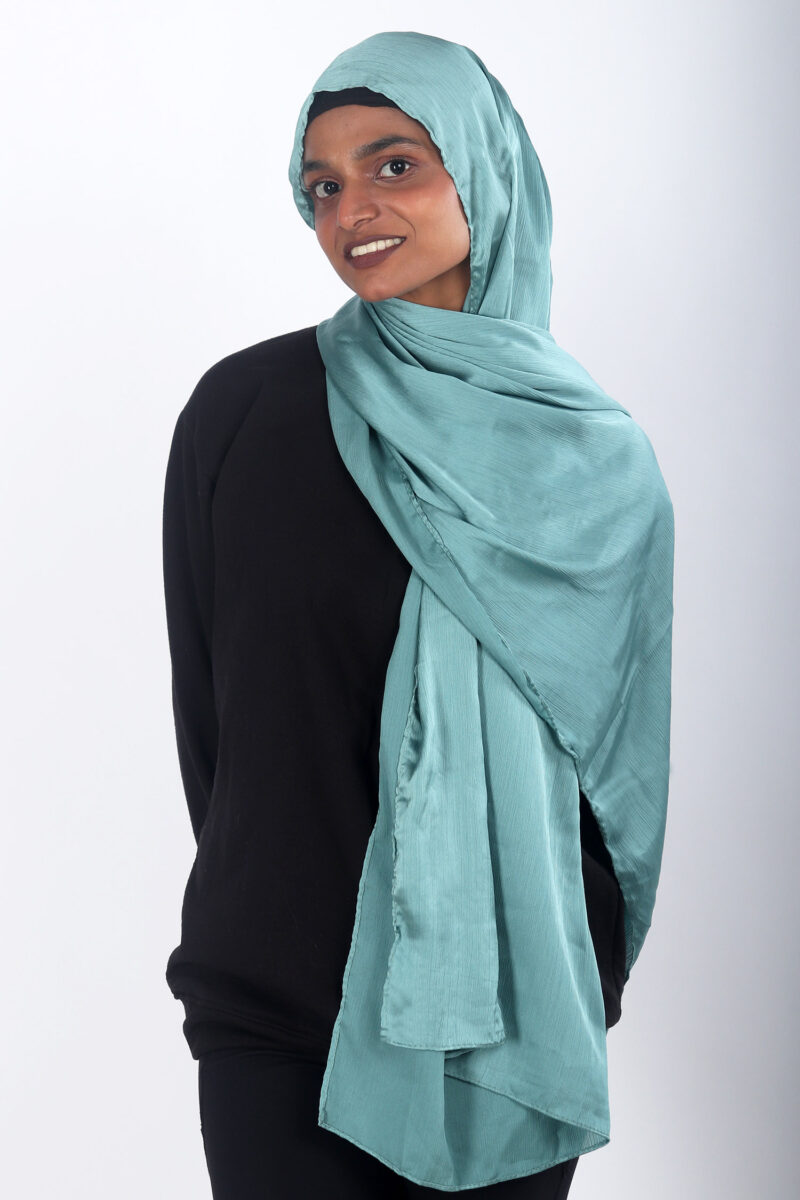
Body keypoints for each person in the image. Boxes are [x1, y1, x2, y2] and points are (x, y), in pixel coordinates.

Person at [162, 31, 672, 1200]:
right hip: (278, 1013)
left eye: (394, 164)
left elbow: (619, 770)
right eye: (321, 186)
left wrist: (577, 969)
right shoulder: (243, 414)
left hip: (515, 1017)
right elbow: (211, 717)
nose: (352, 210)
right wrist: (260, 909)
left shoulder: (596, 463)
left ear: (482, 169)